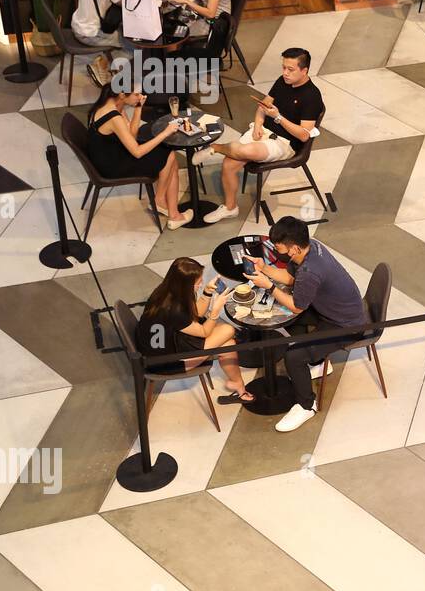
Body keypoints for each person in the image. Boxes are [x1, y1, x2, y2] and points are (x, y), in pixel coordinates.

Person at [242, 216, 369, 432]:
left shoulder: (311, 271)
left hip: (346, 325)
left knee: (293, 355)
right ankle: (318, 361)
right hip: (331, 310)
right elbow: (291, 278)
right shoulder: (312, 247)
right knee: (291, 326)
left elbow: (296, 306)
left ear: (294, 249)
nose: (276, 250)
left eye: (279, 247)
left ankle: (306, 405)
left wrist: (269, 287)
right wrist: (264, 269)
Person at [191, 47, 323, 223]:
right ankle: (231, 208)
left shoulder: (312, 96)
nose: (285, 73)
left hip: (285, 143)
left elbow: (304, 136)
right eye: (283, 67)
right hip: (264, 133)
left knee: (248, 151)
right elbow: (263, 106)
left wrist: (277, 117)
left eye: (290, 69)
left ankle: (216, 147)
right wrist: (258, 124)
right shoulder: (282, 81)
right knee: (229, 164)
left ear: (304, 70)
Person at [138, 257, 255, 403]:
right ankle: (238, 385)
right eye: (198, 282)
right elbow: (204, 332)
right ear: (185, 284)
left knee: (228, 343)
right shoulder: (174, 310)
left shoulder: (165, 292)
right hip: (166, 362)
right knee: (227, 330)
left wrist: (207, 293)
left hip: (164, 344)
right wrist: (215, 311)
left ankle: (238, 386)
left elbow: (195, 314)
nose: (200, 284)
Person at [85, 85, 189, 229]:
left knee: (168, 156)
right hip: (111, 167)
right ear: (122, 94)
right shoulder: (113, 115)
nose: (140, 97)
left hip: (109, 156)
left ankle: (172, 212)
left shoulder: (110, 104)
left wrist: (138, 108)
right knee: (169, 155)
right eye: (136, 94)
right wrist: (165, 133)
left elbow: (132, 136)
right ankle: (161, 202)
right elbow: (137, 152)